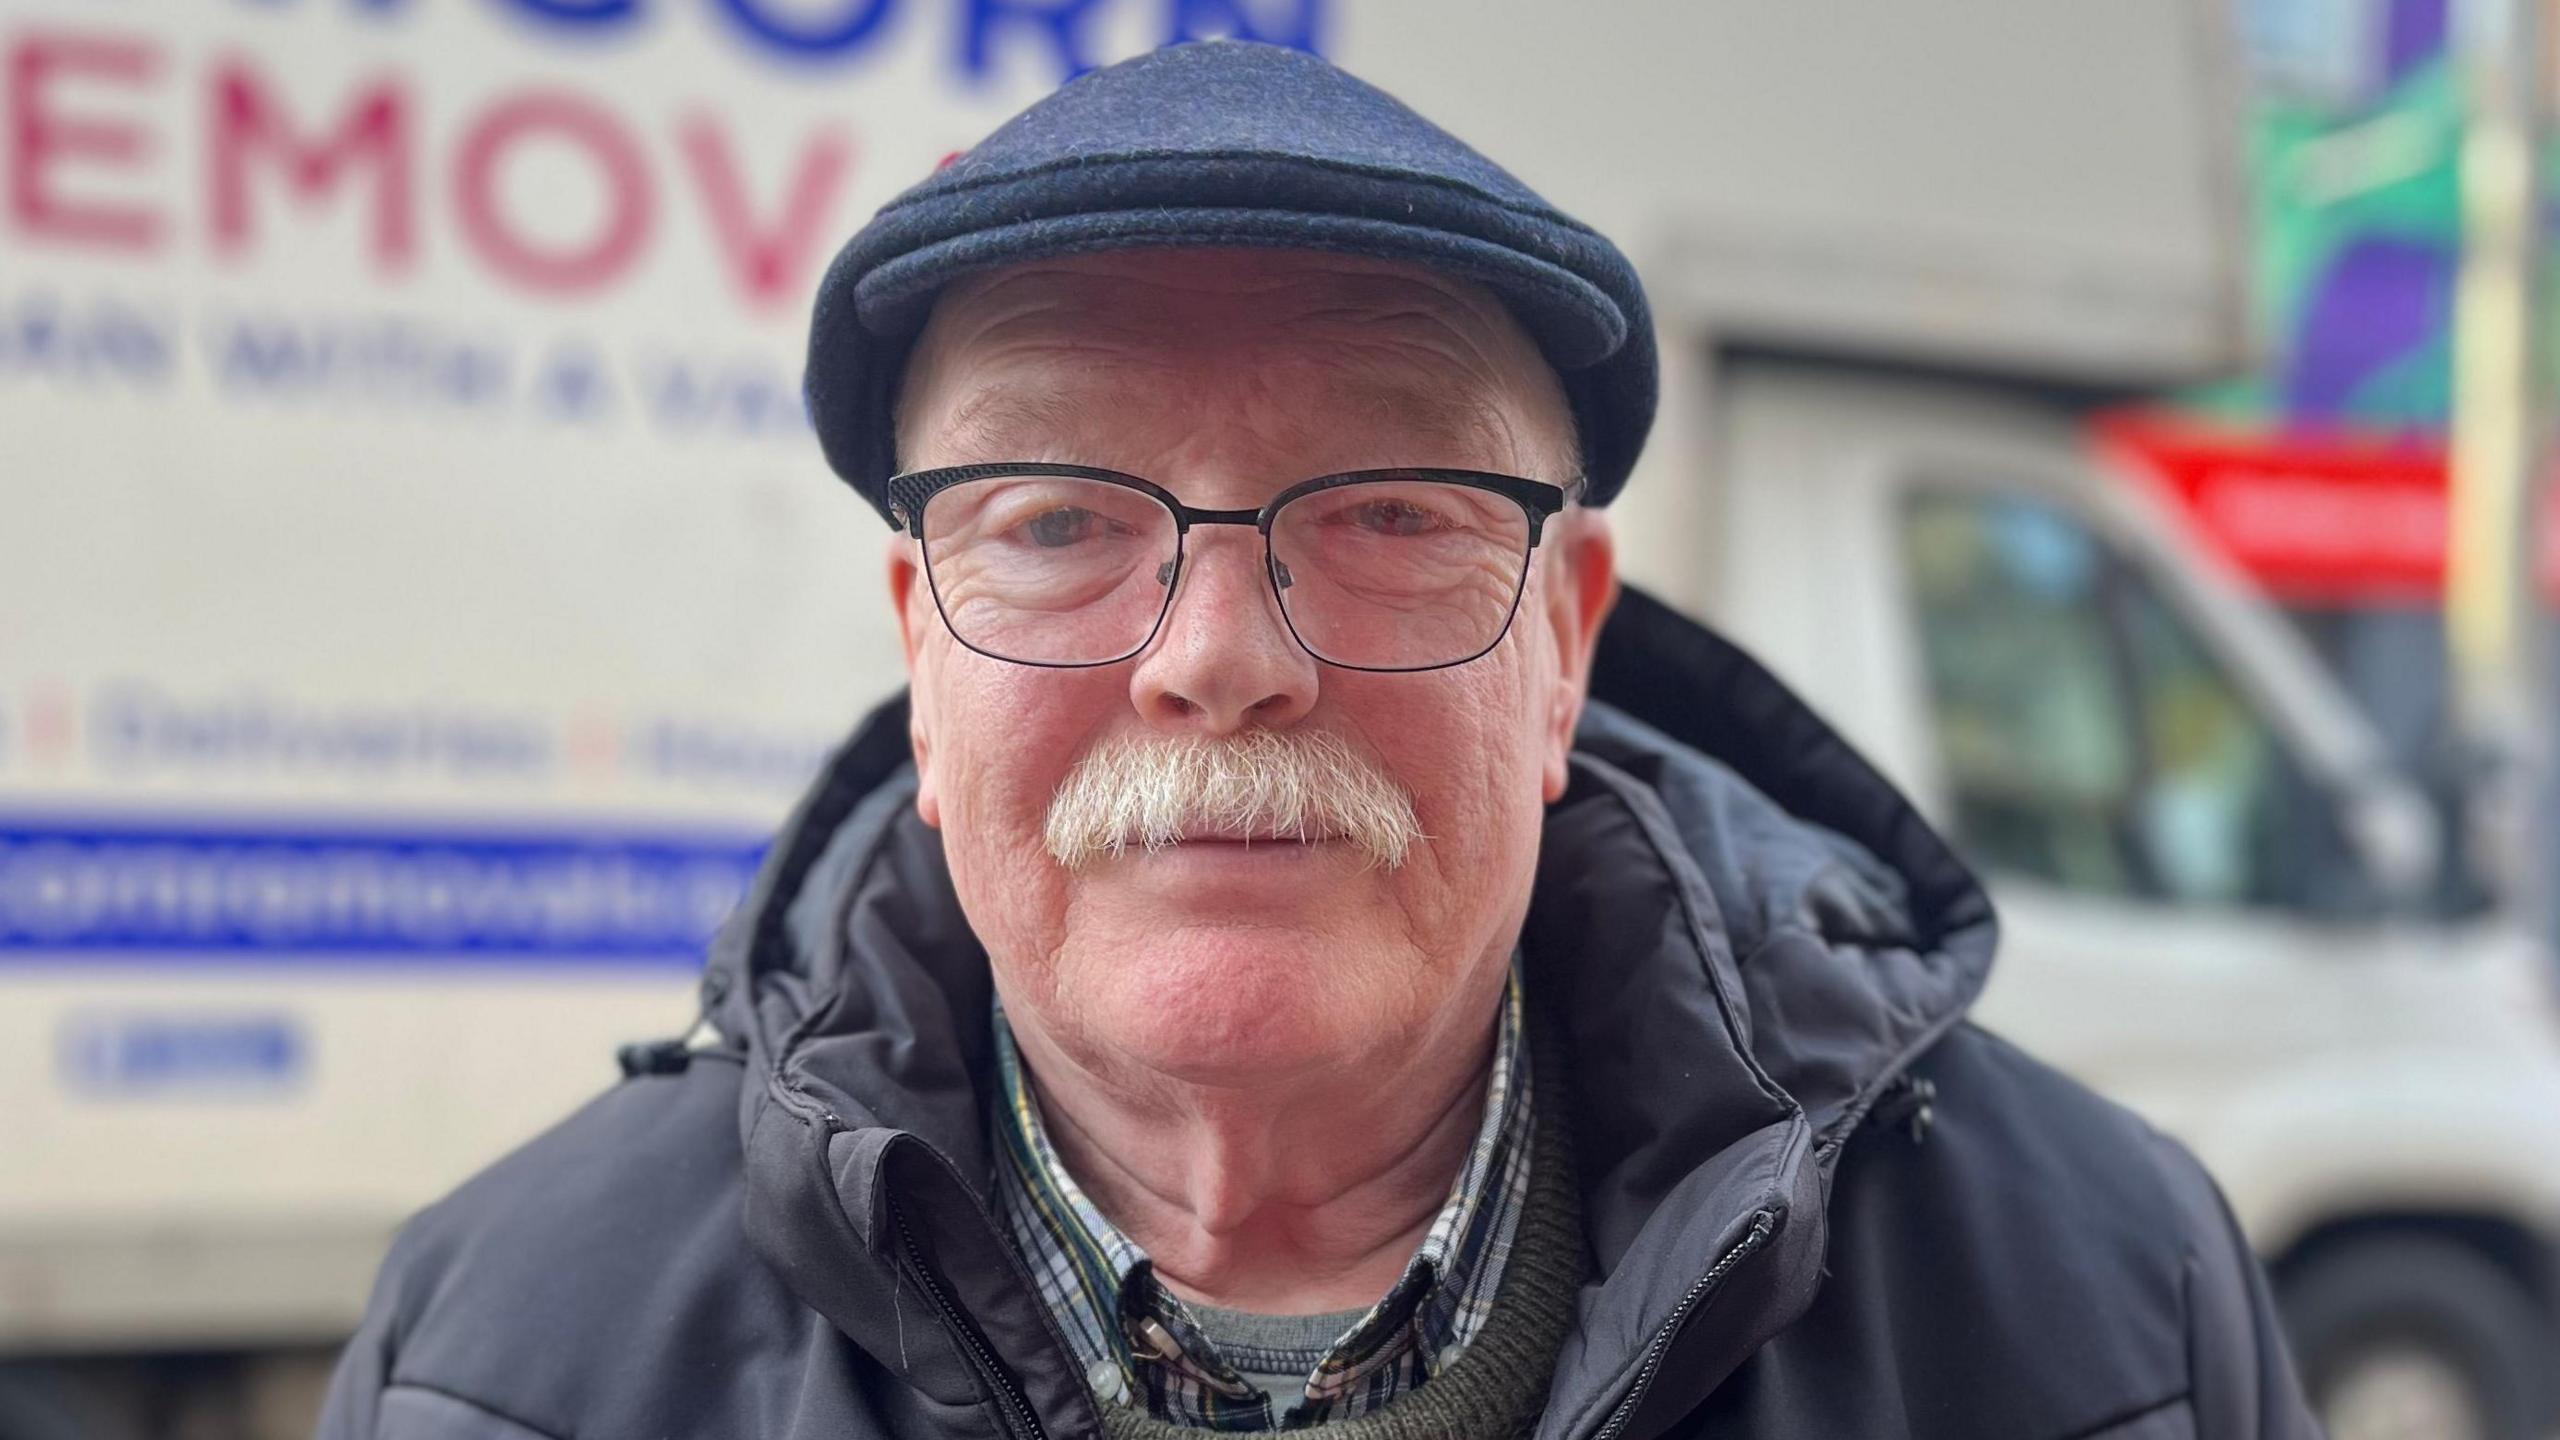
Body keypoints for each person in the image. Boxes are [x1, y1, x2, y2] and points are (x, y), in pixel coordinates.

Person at [317, 40, 2319, 1440]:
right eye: (1054, 518)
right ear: (921, 655)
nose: (1215, 657)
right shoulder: (506, 1362)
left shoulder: (2095, 1314)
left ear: (1561, 643)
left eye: (1384, 511)